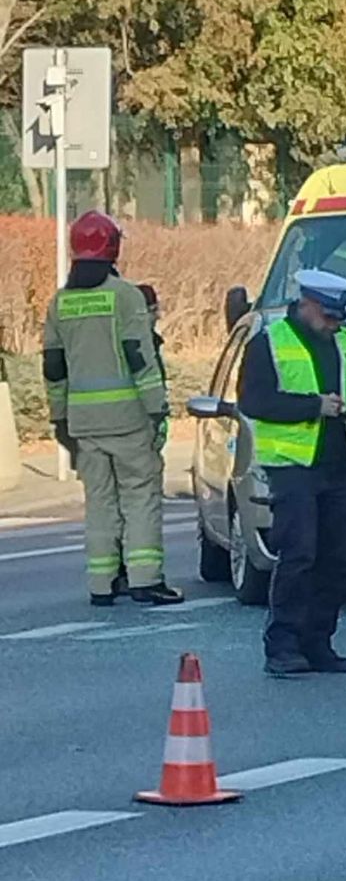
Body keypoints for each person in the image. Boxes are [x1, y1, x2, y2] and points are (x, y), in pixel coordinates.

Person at [238, 268, 346, 677]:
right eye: (328, 316)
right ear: (306, 305)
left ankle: (318, 643)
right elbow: (254, 401)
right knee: (299, 554)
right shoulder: (270, 343)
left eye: (340, 317)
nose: (335, 324)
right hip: (293, 467)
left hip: (341, 465)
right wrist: (313, 406)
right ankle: (282, 646)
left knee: (337, 560)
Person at [42, 212, 183, 607]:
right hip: (128, 420)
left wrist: (59, 420)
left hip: (83, 423)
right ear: (113, 248)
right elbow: (140, 357)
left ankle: (102, 583)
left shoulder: (60, 302)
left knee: (100, 502)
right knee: (139, 496)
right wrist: (157, 410)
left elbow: (53, 366)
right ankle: (145, 579)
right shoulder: (124, 296)